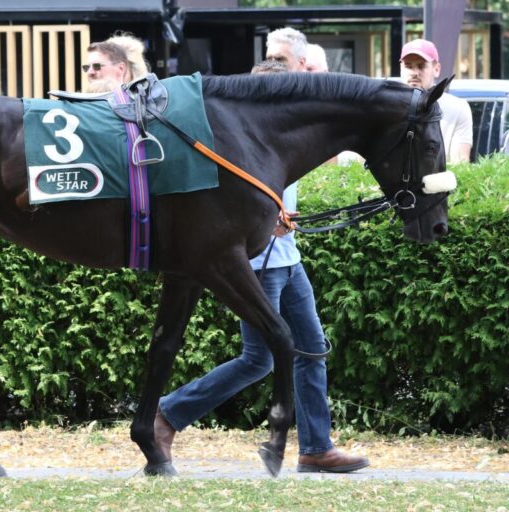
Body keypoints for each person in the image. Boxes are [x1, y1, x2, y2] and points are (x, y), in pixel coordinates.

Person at [154, 27, 370, 474]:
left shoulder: (289, 123)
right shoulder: (248, 125)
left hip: (288, 260)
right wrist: (264, 224)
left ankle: (315, 448)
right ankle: (168, 415)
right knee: (259, 359)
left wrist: (282, 218)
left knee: (312, 348)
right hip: (256, 261)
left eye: (282, 62)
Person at [400, 38, 473, 163]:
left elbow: (460, 164)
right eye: (408, 66)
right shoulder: (383, 107)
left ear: (437, 69)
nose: (415, 72)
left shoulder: (458, 108)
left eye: (421, 66)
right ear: (401, 68)